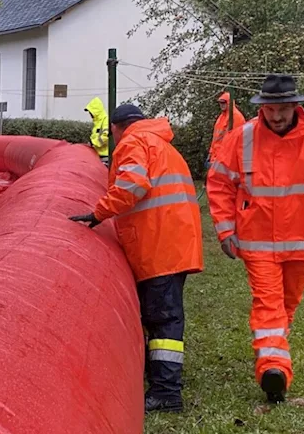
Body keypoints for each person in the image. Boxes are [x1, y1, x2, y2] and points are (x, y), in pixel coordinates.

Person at [207, 75, 304, 403]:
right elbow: (220, 182)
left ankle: (275, 356)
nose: (276, 116)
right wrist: (225, 229)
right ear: (261, 107)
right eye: (270, 109)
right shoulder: (242, 137)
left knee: (286, 306)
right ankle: (273, 368)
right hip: (257, 242)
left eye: (282, 109)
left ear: (296, 106)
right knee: (268, 303)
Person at [69, 104, 204, 413]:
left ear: (117, 128)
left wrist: (98, 213)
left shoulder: (133, 142)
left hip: (160, 244)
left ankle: (167, 392)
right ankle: (159, 379)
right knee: (161, 315)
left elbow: (132, 185)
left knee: (164, 320)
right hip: (172, 240)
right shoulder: (160, 144)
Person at [209, 91, 246, 168]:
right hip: (216, 156)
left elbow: (233, 140)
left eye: (224, 103)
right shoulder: (221, 117)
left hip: (225, 158)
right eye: (220, 103)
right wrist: (211, 152)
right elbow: (215, 138)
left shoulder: (236, 117)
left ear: (229, 103)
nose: (221, 105)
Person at [84, 98, 111, 165]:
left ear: (96, 111)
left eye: (91, 112)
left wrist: (93, 142)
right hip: (97, 155)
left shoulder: (105, 120)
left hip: (105, 156)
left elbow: (106, 136)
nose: (90, 114)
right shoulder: (97, 123)